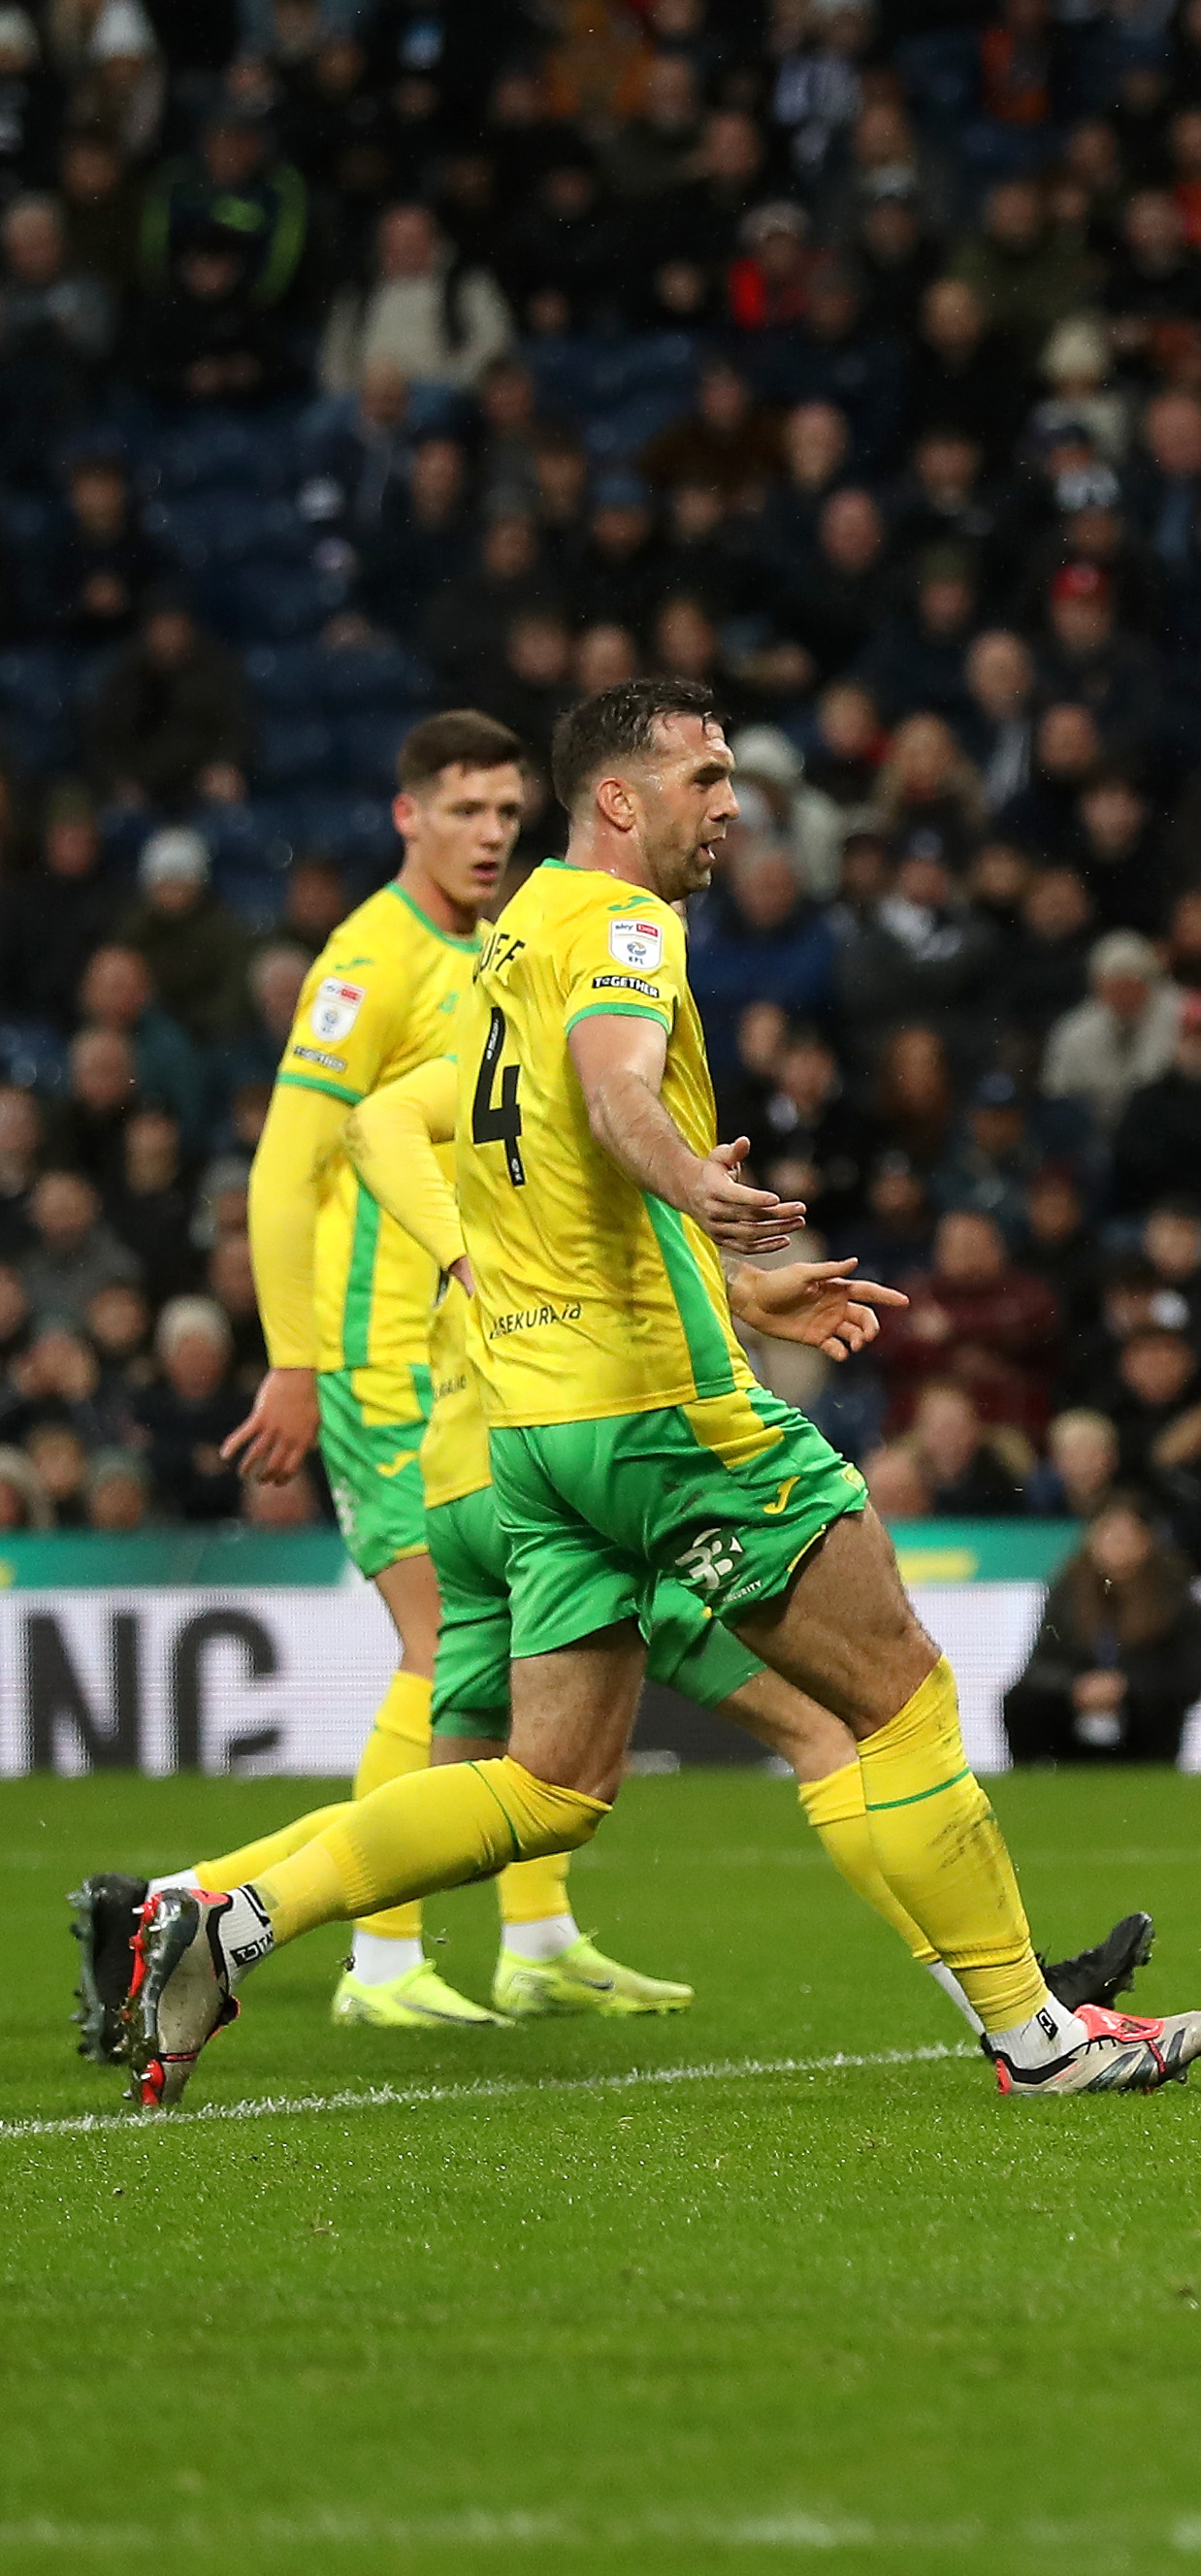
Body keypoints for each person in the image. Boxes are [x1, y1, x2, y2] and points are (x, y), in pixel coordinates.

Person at [115, 682, 1201, 2106]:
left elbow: (483, 1133)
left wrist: (723, 1275)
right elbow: (619, 1085)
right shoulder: (632, 931)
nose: (735, 804)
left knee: (550, 1784)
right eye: (706, 775)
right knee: (902, 1701)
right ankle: (1036, 2033)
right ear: (621, 799)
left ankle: (225, 1913)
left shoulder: (514, 937)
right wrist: (690, 1172)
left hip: (536, 1435)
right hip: (662, 1420)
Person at [193, 711, 684, 2029]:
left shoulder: (496, 949)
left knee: (522, 1648)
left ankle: (534, 1934)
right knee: (440, 1650)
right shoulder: (370, 956)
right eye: (464, 810)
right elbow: (291, 1160)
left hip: (475, 1354)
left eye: (507, 815)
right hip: (379, 1357)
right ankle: (378, 1961)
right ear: (407, 813)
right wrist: (296, 1359)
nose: (489, 836)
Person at [1004, 1496, 1201, 1764]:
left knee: (1160, 1707)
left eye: (1126, 1537)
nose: (1117, 1546)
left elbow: (1188, 1677)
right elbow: (1039, 1666)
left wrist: (1126, 1686)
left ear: (1147, 1542)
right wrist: (1076, 1686)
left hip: (1139, 1719)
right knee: (1021, 1701)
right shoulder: (1068, 1592)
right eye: (1109, 1535)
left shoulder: (1173, 1596)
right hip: (1074, 1706)